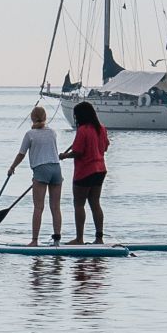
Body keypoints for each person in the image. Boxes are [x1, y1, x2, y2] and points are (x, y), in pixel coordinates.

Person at [6, 106, 63, 246]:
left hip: (41, 169)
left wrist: (12, 167)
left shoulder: (30, 134)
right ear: (45, 117)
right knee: (55, 207)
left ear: (32, 118)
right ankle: (57, 241)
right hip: (56, 168)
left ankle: (34, 241)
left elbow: (21, 154)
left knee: (38, 207)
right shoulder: (53, 132)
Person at [58, 102, 109, 244]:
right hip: (100, 170)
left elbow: (78, 152)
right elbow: (105, 147)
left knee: (79, 204)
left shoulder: (83, 130)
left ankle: (79, 238)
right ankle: (99, 238)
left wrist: (64, 156)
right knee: (95, 203)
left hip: (85, 171)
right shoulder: (101, 129)